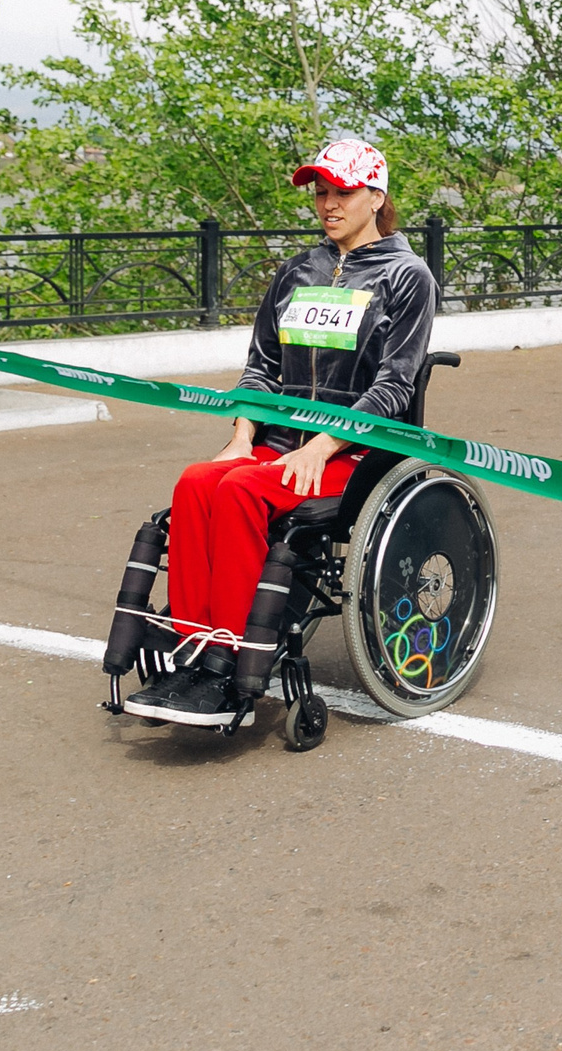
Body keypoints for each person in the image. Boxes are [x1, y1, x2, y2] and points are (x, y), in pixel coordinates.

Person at [123, 137, 437, 727]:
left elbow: (394, 387)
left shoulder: (406, 276)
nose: (328, 203)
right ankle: (193, 650)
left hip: (355, 452)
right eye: (321, 192)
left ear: (376, 196)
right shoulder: (299, 270)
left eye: (342, 191)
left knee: (241, 492)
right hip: (277, 445)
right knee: (197, 481)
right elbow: (261, 368)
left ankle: (231, 661)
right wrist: (242, 435)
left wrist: (324, 443)